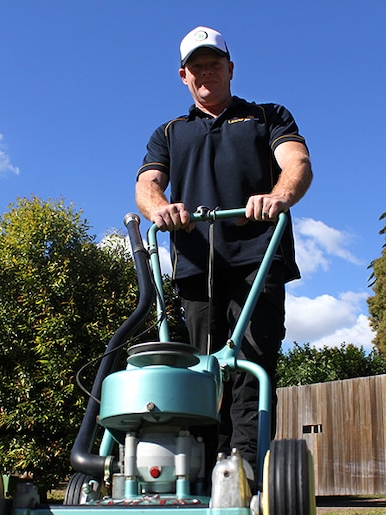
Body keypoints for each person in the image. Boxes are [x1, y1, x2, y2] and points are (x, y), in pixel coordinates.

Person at [135, 26, 313, 474]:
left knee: (251, 366)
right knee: (200, 373)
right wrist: (159, 208)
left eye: (214, 63)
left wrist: (278, 197)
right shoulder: (170, 132)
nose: (206, 72)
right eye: (196, 66)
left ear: (230, 68)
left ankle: (246, 473)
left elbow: (297, 163)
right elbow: (147, 185)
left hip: (258, 259)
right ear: (183, 76)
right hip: (197, 267)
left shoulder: (267, 115)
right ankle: (198, 472)